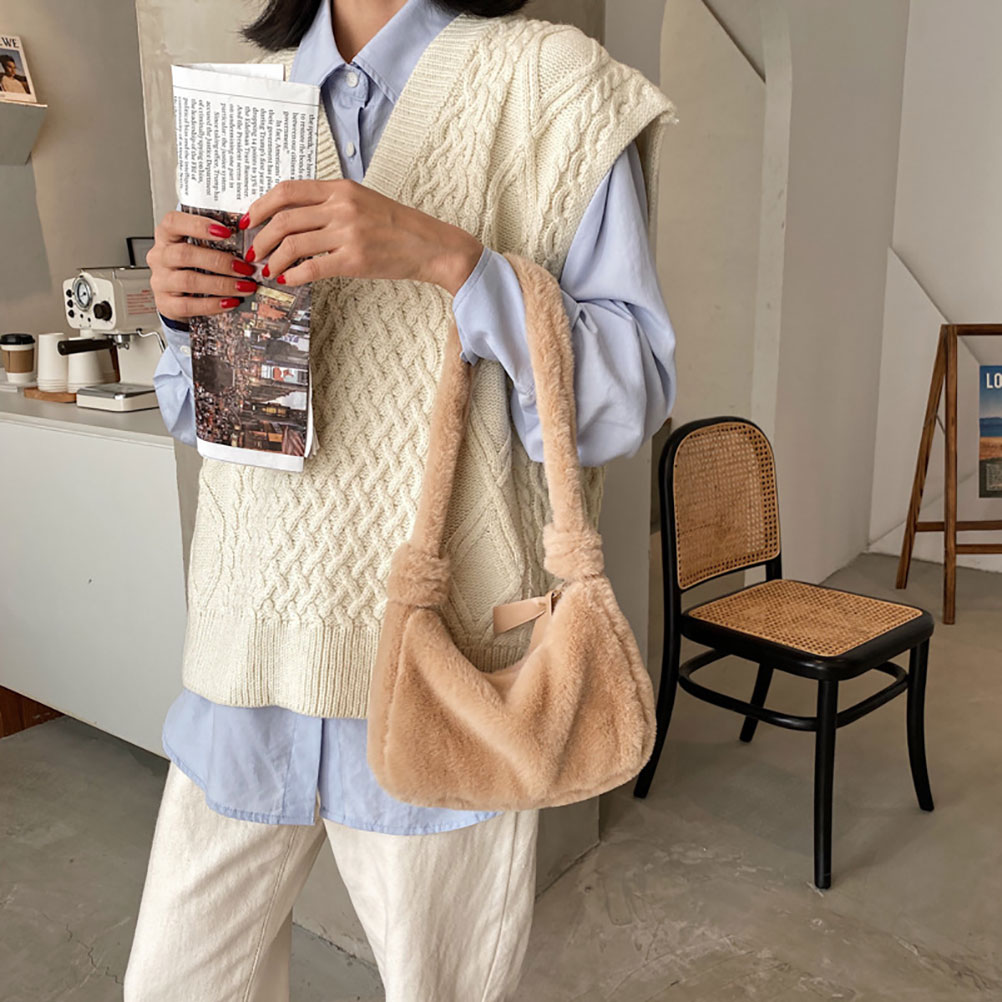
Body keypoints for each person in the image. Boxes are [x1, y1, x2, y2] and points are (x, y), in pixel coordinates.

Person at [123, 1, 677, 1000]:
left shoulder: (553, 84)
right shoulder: (251, 100)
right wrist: (183, 318)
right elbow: (203, 414)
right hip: (247, 647)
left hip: (448, 667)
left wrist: (452, 262)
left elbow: (623, 402)